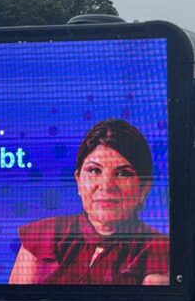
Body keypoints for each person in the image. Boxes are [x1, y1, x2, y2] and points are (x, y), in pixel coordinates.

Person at [9, 119, 169, 285]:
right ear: (78, 180)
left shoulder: (160, 251)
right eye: (94, 170)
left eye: (123, 173)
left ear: (144, 188)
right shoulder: (43, 236)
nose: (106, 186)